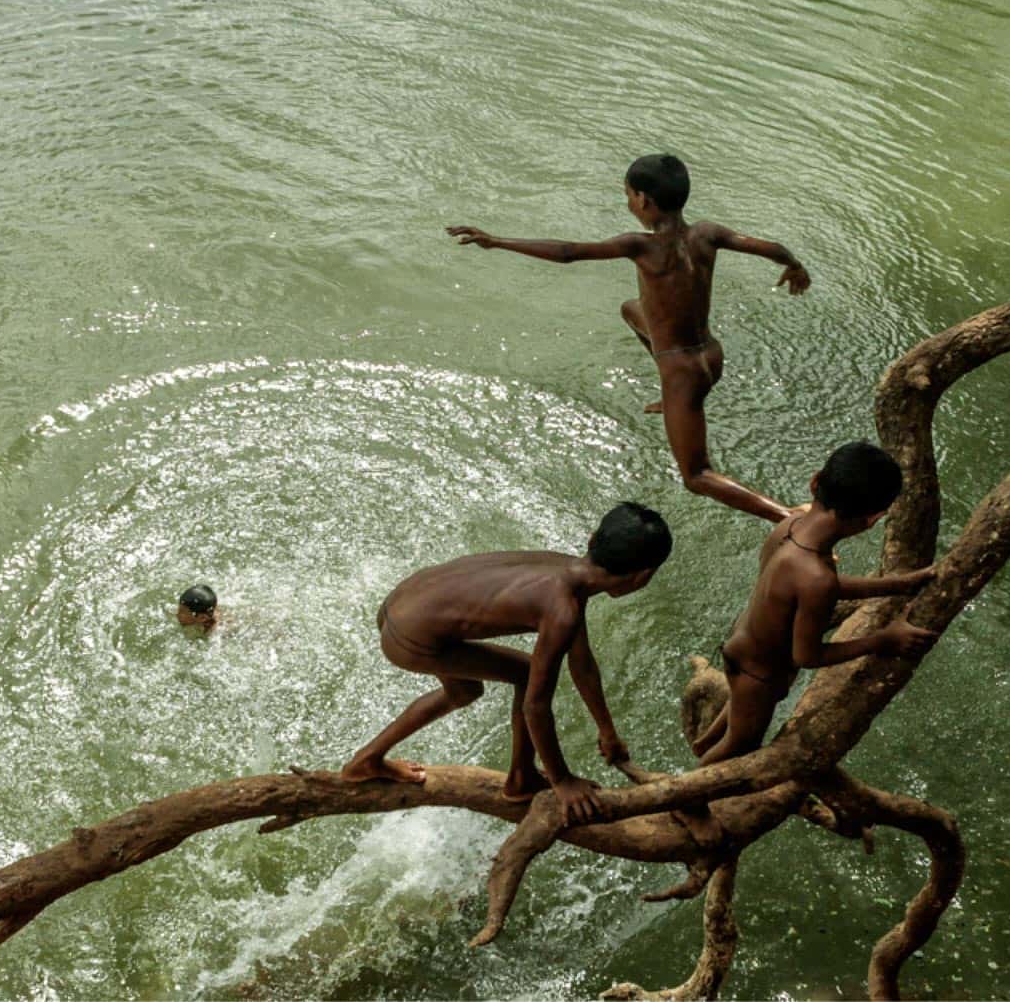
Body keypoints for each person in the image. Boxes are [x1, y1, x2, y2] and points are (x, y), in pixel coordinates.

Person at [447, 154, 809, 523]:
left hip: (683, 372)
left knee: (696, 475)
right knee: (631, 309)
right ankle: (669, 398)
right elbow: (769, 246)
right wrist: (794, 265)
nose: (627, 202)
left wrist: (497, 242)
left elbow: (568, 252)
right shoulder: (707, 232)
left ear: (643, 201)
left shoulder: (641, 245)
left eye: (627, 195)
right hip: (710, 357)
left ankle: (788, 515)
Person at [339, 503, 673, 825]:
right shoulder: (563, 608)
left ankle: (367, 760)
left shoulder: (564, 570)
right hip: (411, 641)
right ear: (642, 577)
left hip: (399, 608)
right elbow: (536, 706)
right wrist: (562, 780)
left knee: (465, 691)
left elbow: (582, 663)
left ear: (592, 540)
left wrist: (607, 731)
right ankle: (522, 779)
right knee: (527, 676)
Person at [691, 442, 937, 765]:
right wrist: (882, 640)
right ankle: (686, 803)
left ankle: (702, 745)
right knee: (739, 746)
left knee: (736, 716)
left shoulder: (791, 526)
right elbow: (806, 655)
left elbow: (816, 588)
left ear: (815, 481)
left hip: (741, 649)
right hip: (761, 677)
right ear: (872, 520)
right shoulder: (817, 576)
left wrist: (895, 584)